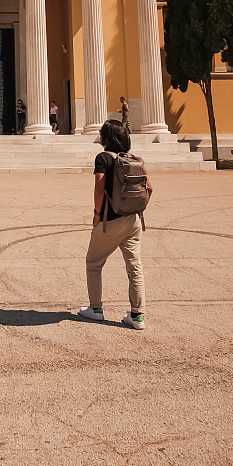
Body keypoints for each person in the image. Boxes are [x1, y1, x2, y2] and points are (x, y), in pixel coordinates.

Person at [78, 118, 151, 329]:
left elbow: (99, 189)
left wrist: (97, 214)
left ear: (107, 137)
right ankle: (137, 316)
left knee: (94, 263)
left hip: (110, 220)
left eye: (101, 132)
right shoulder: (133, 158)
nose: (99, 134)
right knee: (134, 267)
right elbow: (150, 188)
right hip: (134, 219)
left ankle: (95, 309)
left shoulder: (103, 158)